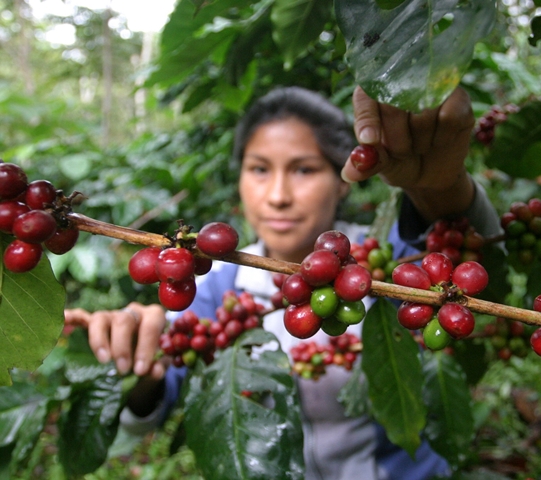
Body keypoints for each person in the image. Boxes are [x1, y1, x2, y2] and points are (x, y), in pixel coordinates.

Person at [65, 85, 501, 479]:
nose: (277, 195)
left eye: (304, 170)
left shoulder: (381, 265)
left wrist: (441, 188)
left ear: (343, 181)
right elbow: (148, 413)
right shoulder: (216, 286)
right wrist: (141, 361)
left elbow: (468, 257)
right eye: (259, 169)